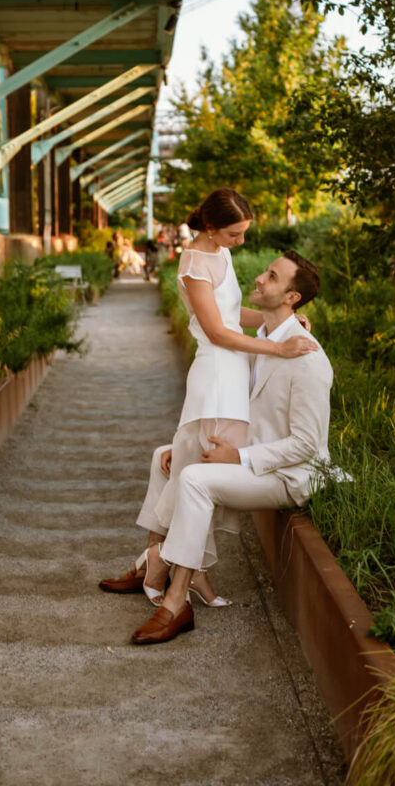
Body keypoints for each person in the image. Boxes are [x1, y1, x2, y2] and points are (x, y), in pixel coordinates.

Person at [99, 188, 317, 607]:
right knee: (206, 469)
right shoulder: (195, 263)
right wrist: (278, 347)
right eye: (235, 234)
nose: (241, 242)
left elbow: (232, 315)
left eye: (243, 234)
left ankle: (166, 565)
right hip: (218, 374)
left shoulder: (222, 254)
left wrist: (283, 322)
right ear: (212, 228)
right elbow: (217, 332)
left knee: (193, 464)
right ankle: (173, 567)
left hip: (232, 371)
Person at [129, 249, 333, 644]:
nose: (258, 278)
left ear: (293, 298)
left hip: (289, 476)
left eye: (272, 277)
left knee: (194, 479)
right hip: (257, 460)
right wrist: (189, 442)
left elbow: (308, 445)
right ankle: (151, 565)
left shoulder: (307, 356)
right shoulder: (256, 341)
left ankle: (176, 602)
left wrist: (237, 456)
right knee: (167, 456)